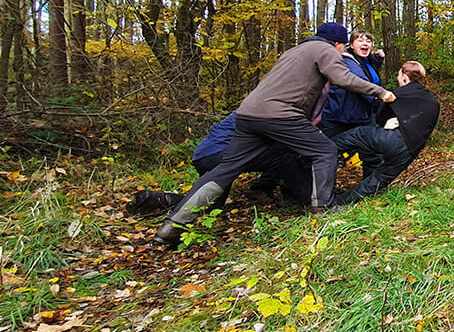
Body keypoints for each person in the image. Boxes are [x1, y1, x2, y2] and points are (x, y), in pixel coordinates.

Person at [154, 22, 396, 246]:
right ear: (338, 43)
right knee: (325, 150)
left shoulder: (292, 52)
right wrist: (379, 92)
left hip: (248, 113)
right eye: (343, 45)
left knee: (226, 168)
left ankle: (173, 225)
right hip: (280, 114)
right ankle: (323, 209)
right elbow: (342, 78)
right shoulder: (326, 50)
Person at [126, 112, 310, 215]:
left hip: (203, 154)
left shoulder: (252, 106)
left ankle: (160, 200)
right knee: (285, 153)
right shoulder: (272, 110)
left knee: (209, 206)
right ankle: (288, 194)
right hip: (222, 154)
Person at [331, 61, 439, 206]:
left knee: (357, 134)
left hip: (392, 139)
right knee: (376, 181)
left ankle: (320, 150)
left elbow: (381, 114)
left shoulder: (401, 92)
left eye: (399, 75)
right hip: (409, 153)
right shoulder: (432, 100)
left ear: (405, 78)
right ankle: (340, 203)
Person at [319, 30, 383, 138]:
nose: (365, 43)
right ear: (352, 45)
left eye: (368, 41)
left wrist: (377, 60)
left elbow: (370, 75)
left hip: (360, 112)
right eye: (360, 40)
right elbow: (360, 80)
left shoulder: (367, 61)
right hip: (341, 116)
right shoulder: (347, 60)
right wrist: (379, 97)